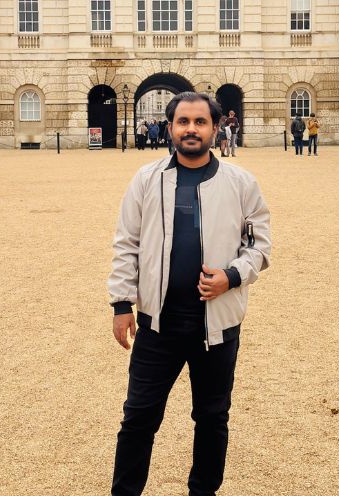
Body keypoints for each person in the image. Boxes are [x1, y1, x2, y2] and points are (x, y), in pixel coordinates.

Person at [108, 92, 273, 496]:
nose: (191, 129)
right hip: (157, 325)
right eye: (183, 122)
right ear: (170, 128)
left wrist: (231, 277)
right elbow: (126, 243)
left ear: (216, 128)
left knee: (213, 418)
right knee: (138, 419)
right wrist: (121, 303)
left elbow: (261, 246)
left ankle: (204, 492)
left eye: (200, 122)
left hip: (215, 326)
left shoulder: (240, 182)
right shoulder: (147, 178)